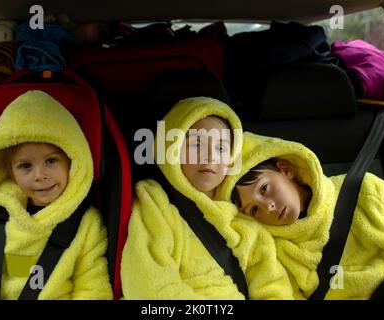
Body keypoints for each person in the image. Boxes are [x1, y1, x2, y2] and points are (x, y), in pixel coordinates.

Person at [121, 97, 292, 299]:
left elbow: (273, 285)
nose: (209, 156)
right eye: (196, 145)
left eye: (221, 148)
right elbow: (149, 284)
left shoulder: (244, 216)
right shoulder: (154, 203)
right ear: (171, 150)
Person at [215, 131, 384, 299]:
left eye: (265, 188)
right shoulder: (273, 247)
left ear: (286, 170)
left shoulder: (365, 190)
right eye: (254, 209)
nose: (269, 207)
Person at [0, 90, 112, 300]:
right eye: (25, 166)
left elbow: (92, 289)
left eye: (51, 161)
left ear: (72, 161)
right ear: (9, 170)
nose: (40, 176)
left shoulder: (86, 225)